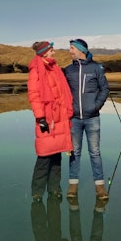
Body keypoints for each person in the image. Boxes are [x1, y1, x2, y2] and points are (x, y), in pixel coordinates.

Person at [64, 38, 110, 201]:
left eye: (71, 48)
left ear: (80, 49)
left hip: (92, 118)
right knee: (74, 152)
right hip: (74, 119)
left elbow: (105, 89)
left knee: (95, 152)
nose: (69, 51)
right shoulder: (68, 70)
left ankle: (100, 187)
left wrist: (96, 106)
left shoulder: (96, 68)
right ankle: (73, 185)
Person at [27, 40, 73, 201]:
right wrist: (40, 117)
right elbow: (34, 95)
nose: (54, 53)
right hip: (47, 118)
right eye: (52, 50)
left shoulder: (55, 68)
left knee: (56, 157)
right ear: (45, 52)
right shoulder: (36, 70)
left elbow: (61, 93)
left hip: (60, 118)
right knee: (44, 157)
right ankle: (37, 192)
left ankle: (54, 188)